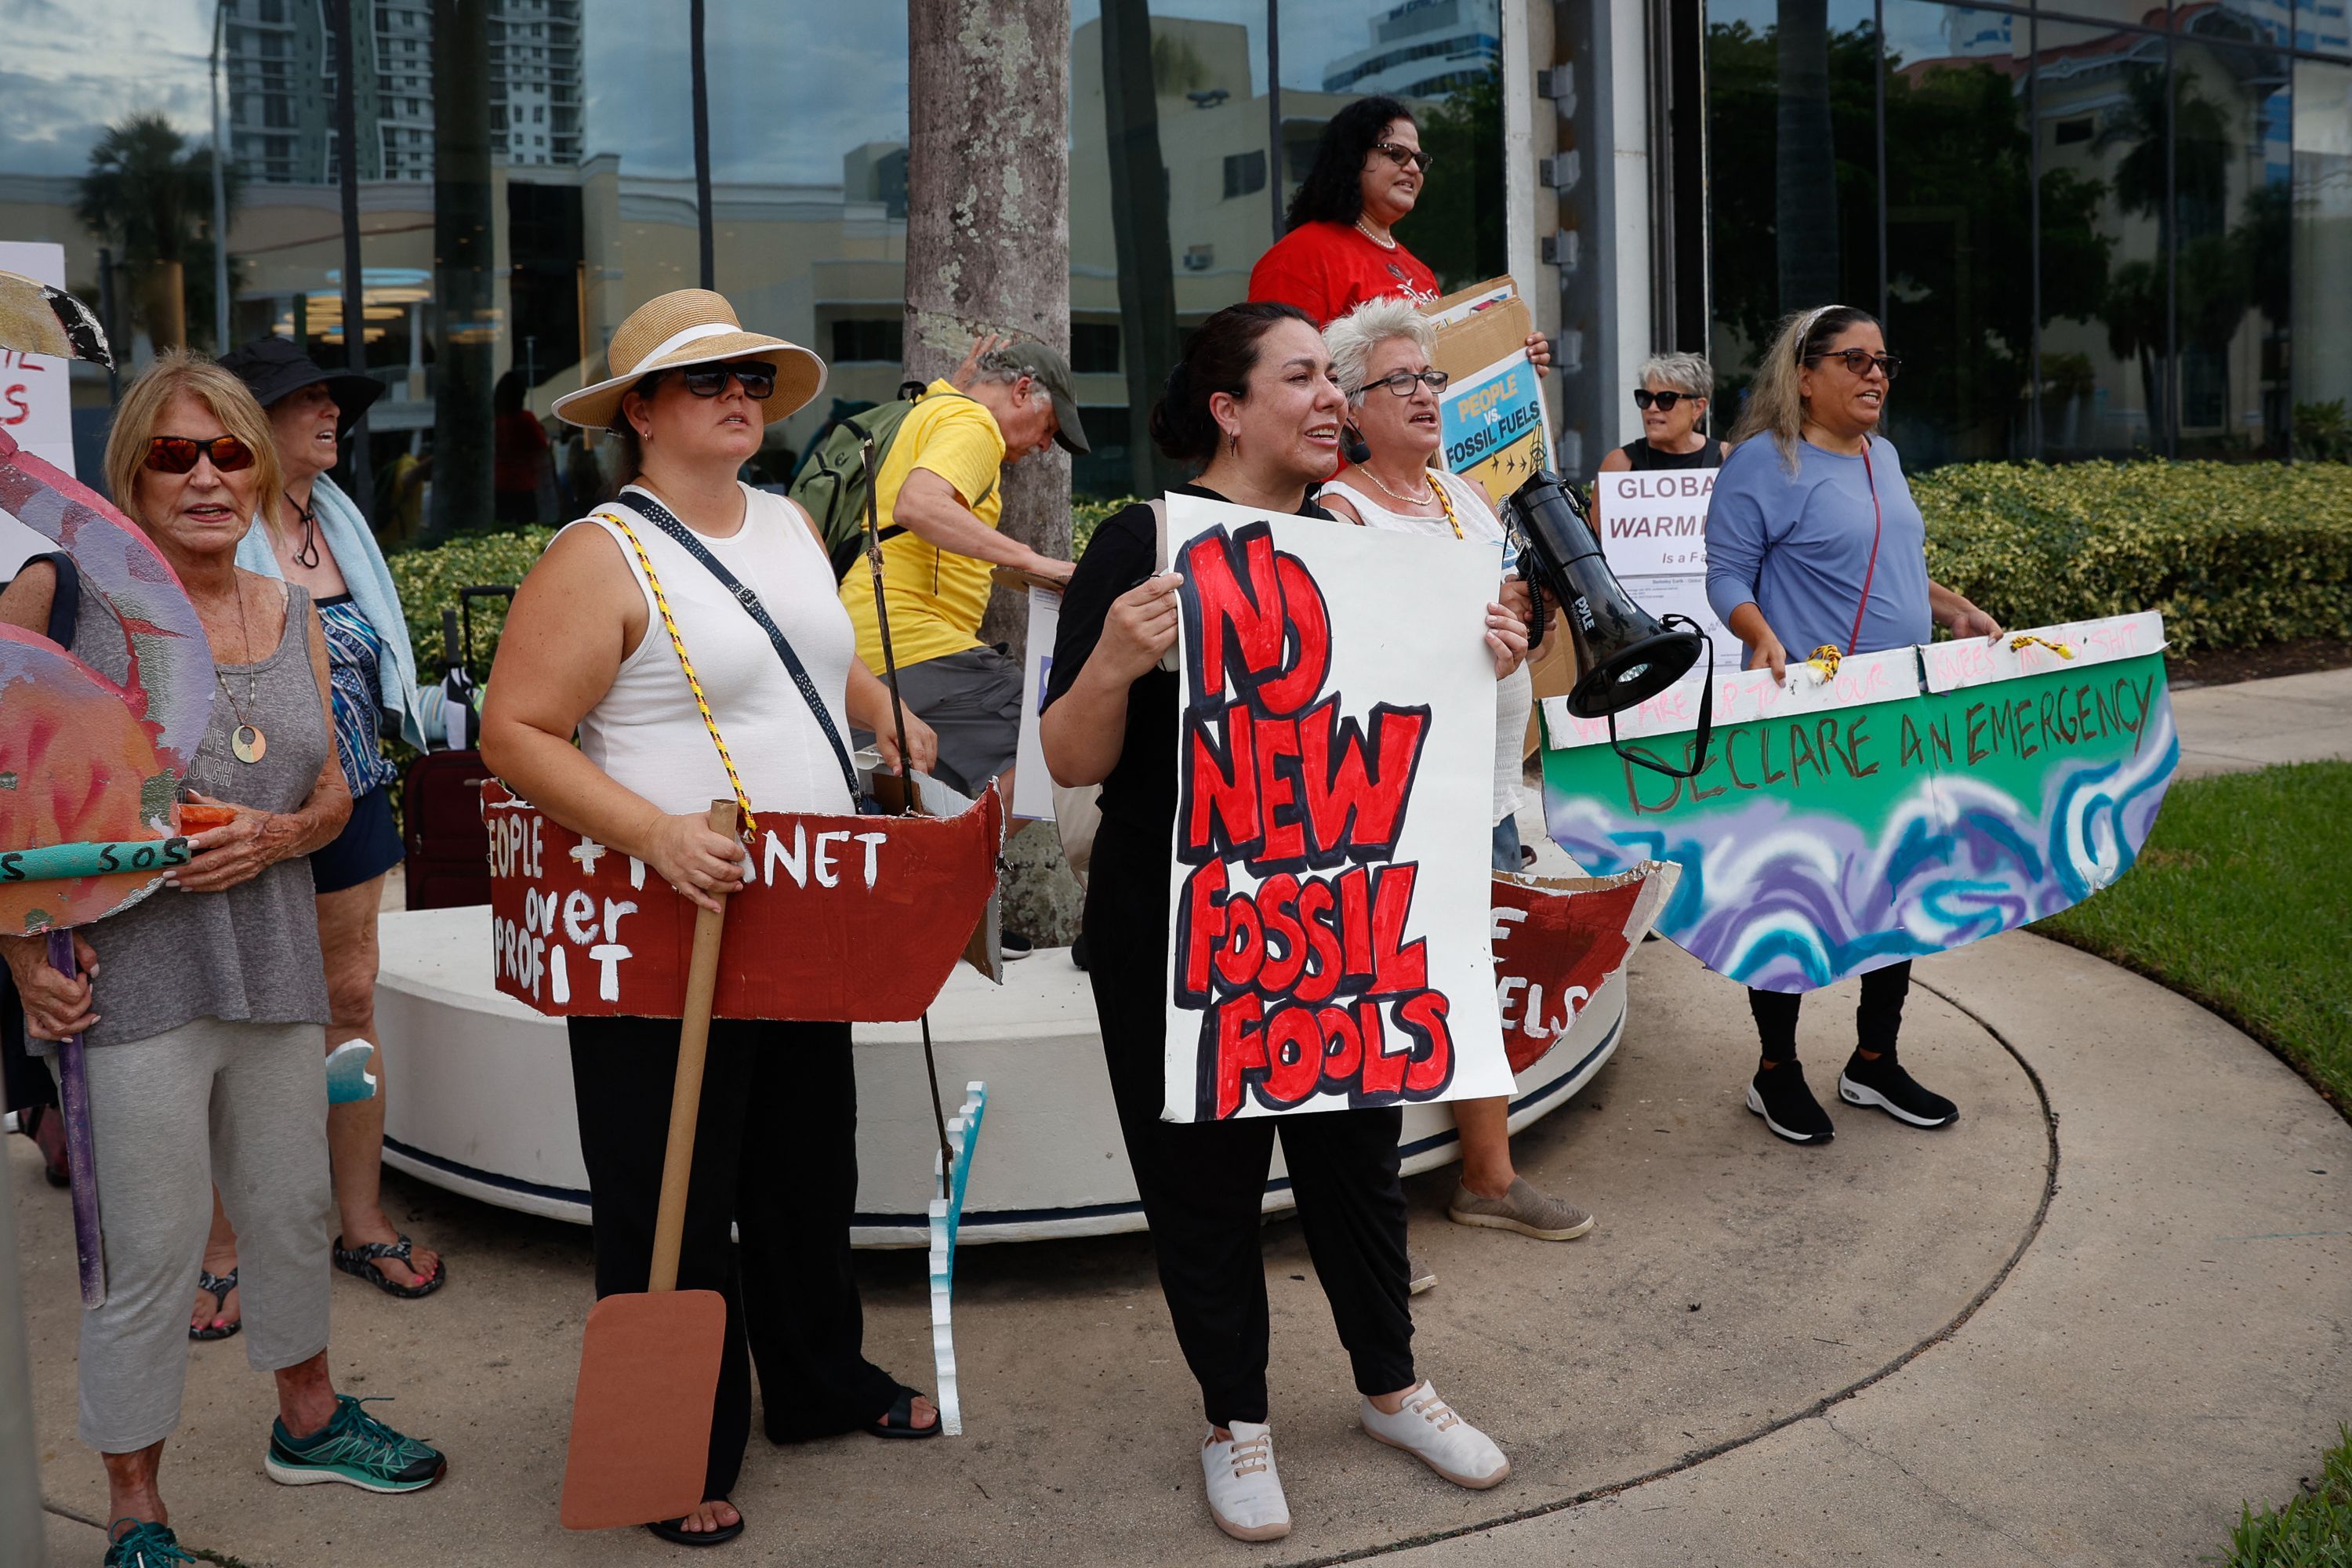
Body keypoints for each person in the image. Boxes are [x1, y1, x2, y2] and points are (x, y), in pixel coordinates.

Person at [1040, 301, 1522, 1545]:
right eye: (1302, 377)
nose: (1331, 399)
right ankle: (1234, 1424)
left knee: (1357, 1166)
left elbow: (1422, 745)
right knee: (1200, 1181)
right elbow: (1069, 757)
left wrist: (1488, 653)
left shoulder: (1362, 543)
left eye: (1334, 379)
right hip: (1172, 932)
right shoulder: (1146, 540)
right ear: (1228, 406)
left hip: (1341, 925)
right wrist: (1112, 664)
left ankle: (1393, 1387)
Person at [481, 289, 944, 1546]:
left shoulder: (789, 523)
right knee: (673, 1188)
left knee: (808, 1169)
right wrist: (653, 833)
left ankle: (817, 1383)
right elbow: (514, 731)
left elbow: (804, 645)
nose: (739, 394)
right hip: (666, 926)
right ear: (639, 412)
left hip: (799, 907)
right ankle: (676, 1443)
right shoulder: (600, 553)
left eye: (749, 376)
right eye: (705, 381)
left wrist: (877, 715)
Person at [0, 351, 445, 1568]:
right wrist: (15, 950)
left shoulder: (293, 612)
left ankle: (307, 1419)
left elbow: (333, 784)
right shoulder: (65, 597)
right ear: (129, 470)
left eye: (231, 451)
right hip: (128, 982)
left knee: (294, 1214)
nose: (205, 477)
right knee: (149, 1252)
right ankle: (135, 1505)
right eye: (174, 454)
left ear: (261, 468)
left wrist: (280, 836)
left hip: (275, 962)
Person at [1317, 297, 1592, 1247]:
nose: (1427, 395)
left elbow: (1501, 624)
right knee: (1389, 993)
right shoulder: (1338, 512)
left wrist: (1523, 617)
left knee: (1474, 977)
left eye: (1431, 378)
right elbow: (1349, 667)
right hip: (1402, 802)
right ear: (1351, 407)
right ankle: (1371, 1221)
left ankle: (1486, 1175)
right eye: (1401, 381)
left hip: (1486, 791)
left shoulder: (1461, 495)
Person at [1705, 304, 2003, 1147]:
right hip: (1809, 719)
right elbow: (1725, 571)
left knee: (1896, 885)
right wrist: (1760, 634)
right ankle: (1775, 1071)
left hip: (1896, 715)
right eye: (1855, 360)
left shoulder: (1886, 458)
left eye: (1883, 361)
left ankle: (1874, 1058)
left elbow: (1901, 564)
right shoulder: (1764, 462)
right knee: (1794, 892)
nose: (1875, 374)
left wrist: (1956, 608)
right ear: (1805, 374)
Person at [216, 335, 446, 1342]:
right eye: (306, 400)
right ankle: (225, 1245)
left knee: (349, 998)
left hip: (352, 794)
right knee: (244, 1017)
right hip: (249, 808)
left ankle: (358, 1217)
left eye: (330, 397)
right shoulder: (212, 527)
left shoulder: (338, 521)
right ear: (249, 423)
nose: (331, 414)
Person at [838, 339, 1086, 805]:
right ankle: (959, 874)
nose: (1045, 444)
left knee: (918, 802)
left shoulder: (936, 409)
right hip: (913, 640)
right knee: (1058, 740)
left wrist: (959, 386)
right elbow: (918, 504)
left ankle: (933, 870)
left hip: (865, 645)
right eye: (1049, 426)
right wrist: (1031, 561)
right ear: (1022, 391)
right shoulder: (975, 424)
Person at [1248, 95, 1551, 376]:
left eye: (1419, 160)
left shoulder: (1420, 272)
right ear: (1352, 159)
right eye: (1396, 154)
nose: (1413, 169)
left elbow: (1442, 373)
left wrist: (1515, 362)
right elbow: (1279, 378)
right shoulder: (1300, 256)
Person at [1598, 352, 1728, 477]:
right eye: (1646, 398)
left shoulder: (1727, 457)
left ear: (1698, 407)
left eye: (1666, 399)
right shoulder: (1620, 464)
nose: (1652, 408)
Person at [493, 367, 554, 524]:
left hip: (498, 484)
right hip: (524, 484)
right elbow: (541, 450)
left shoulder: (494, 421)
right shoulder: (526, 419)